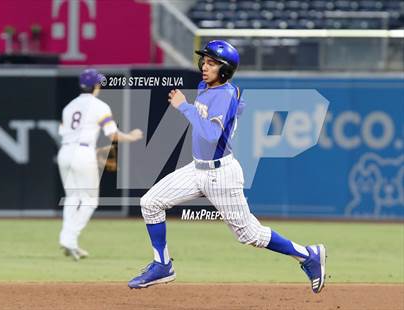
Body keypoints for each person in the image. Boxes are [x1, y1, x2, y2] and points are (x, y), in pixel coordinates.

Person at [128, 40, 326, 293]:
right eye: (205, 61)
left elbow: (211, 134)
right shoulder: (208, 87)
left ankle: (308, 255)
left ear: (225, 70)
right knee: (150, 202)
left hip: (221, 175)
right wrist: (234, 111)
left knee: (249, 235)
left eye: (212, 63)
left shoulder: (223, 94)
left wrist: (184, 106)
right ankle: (162, 265)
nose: (205, 66)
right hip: (197, 169)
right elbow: (227, 113)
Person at [58, 68, 143, 261]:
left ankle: (68, 239)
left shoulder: (69, 106)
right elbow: (112, 134)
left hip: (66, 151)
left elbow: (64, 132)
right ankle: (69, 238)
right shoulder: (99, 105)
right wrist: (131, 136)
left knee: (72, 197)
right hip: (83, 152)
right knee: (89, 200)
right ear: (96, 86)